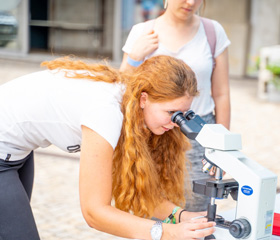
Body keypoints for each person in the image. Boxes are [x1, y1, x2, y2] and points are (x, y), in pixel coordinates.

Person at [0, 55, 216, 240]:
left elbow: (139, 193)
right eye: (171, 113)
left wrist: (181, 216)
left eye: (182, 115)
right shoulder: (106, 112)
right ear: (144, 99)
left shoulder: (130, 109)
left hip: (18, 150)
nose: (175, 123)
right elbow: (94, 213)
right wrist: (168, 233)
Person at [120, 0, 231, 212]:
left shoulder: (212, 31)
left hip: (199, 133)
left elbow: (222, 93)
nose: (190, 2)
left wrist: (221, 147)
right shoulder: (142, 31)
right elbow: (123, 87)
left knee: (197, 206)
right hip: (153, 134)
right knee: (150, 205)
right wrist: (134, 57)